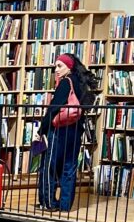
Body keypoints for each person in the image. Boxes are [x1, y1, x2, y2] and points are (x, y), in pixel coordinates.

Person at [36, 53, 96, 212]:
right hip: (75, 131)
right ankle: (65, 205)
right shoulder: (81, 84)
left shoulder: (65, 83)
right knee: (69, 168)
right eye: (55, 66)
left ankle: (47, 203)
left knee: (49, 166)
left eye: (59, 66)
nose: (56, 70)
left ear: (69, 67)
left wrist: (41, 130)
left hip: (59, 130)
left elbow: (54, 108)